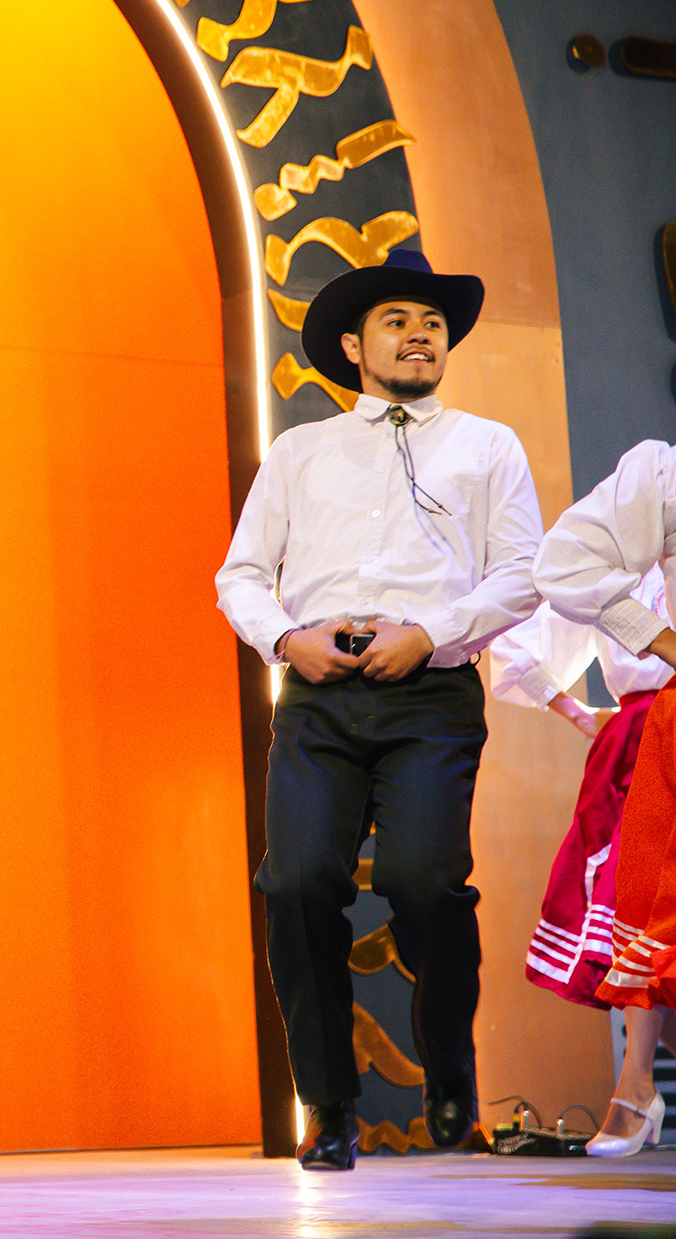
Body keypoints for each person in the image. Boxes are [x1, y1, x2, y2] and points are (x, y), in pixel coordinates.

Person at [215, 249, 543, 1170]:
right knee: (296, 883)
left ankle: (450, 1066)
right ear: (355, 346)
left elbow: (524, 573)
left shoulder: (487, 445)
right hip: (320, 691)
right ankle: (328, 1107)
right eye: (398, 321)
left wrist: (431, 633)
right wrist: (287, 640)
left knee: (423, 881)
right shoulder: (301, 450)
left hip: (430, 691)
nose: (420, 334)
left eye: (432, 323)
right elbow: (241, 574)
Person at [533, 440, 676, 1157]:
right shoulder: (658, 479)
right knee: (646, 903)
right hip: (650, 726)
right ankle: (634, 1082)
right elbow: (557, 579)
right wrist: (658, 641)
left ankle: (636, 1086)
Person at [488, 573, 669, 1010]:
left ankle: (644, 1057)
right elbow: (517, 650)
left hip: (648, 731)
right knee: (640, 895)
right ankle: (639, 1057)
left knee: (649, 895)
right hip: (645, 735)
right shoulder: (614, 569)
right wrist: (577, 713)